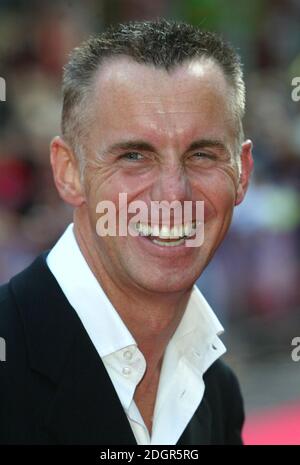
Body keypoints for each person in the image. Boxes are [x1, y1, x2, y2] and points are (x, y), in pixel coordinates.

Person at [0, 19, 253, 445]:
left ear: (242, 174)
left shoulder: (218, 392)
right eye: (134, 155)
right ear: (68, 172)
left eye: (202, 154)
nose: (174, 195)